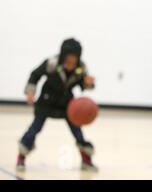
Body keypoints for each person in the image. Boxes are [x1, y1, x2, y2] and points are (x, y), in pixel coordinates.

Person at [16, 38, 97, 171]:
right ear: (63, 55)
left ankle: (86, 160)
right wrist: (30, 92)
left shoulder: (81, 68)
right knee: (35, 128)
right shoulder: (51, 63)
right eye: (69, 56)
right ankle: (21, 157)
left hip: (67, 104)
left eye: (74, 57)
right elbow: (35, 75)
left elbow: (84, 84)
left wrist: (89, 83)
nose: (71, 60)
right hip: (46, 101)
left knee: (77, 130)